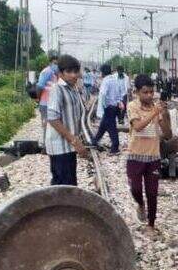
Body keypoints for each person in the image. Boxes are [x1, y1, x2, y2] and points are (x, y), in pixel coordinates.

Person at [126, 74, 172, 230]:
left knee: (152, 192)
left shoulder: (157, 108)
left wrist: (165, 115)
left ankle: (151, 225)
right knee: (136, 189)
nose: (149, 95)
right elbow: (138, 127)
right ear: (137, 92)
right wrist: (154, 113)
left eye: (151, 92)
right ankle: (140, 204)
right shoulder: (132, 106)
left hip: (153, 156)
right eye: (145, 92)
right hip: (135, 156)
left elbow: (168, 135)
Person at [45, 54, 89, 185]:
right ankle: (57, 206)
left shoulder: (72, 89)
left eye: (76, 71)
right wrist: (75, 141)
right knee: (64, 187)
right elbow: (53, 119)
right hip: (60, 147)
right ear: (61, 73)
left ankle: (62, 206)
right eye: (69, 71)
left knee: (68, 184)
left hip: (68, 146)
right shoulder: (57, 90)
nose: (73, 75)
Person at [92, 64, 124, 155]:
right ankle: (94, 141)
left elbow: (102, 94)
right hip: (114, 107)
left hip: (108, 108)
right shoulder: (115, 79)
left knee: (111, 128)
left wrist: (103, 107)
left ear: (102, 73)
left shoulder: (106, 81)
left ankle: (115, 148)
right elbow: (119, 93)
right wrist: (118, 102)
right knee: (103, 125)